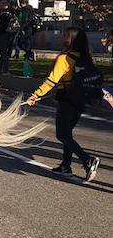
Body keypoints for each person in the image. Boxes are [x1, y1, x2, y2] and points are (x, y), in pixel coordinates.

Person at [25, 27, 100, 181]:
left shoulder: (64, 58)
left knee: (62, 134)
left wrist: (36, 95)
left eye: (65, 35)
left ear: (70, 39)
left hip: (67, 100)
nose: (62, 38)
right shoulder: (83, 57)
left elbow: (51, 80)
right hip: (80, 100)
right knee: (68, 134)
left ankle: (87, 160)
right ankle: (65, 166)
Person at [0, 1, 17, 74]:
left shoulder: (3, 15)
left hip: (1, 35)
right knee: (4, 53)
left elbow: (0, 27)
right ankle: (0, 68)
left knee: (4, 54)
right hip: (9, 35)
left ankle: (5, 70)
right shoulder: (12, 15)